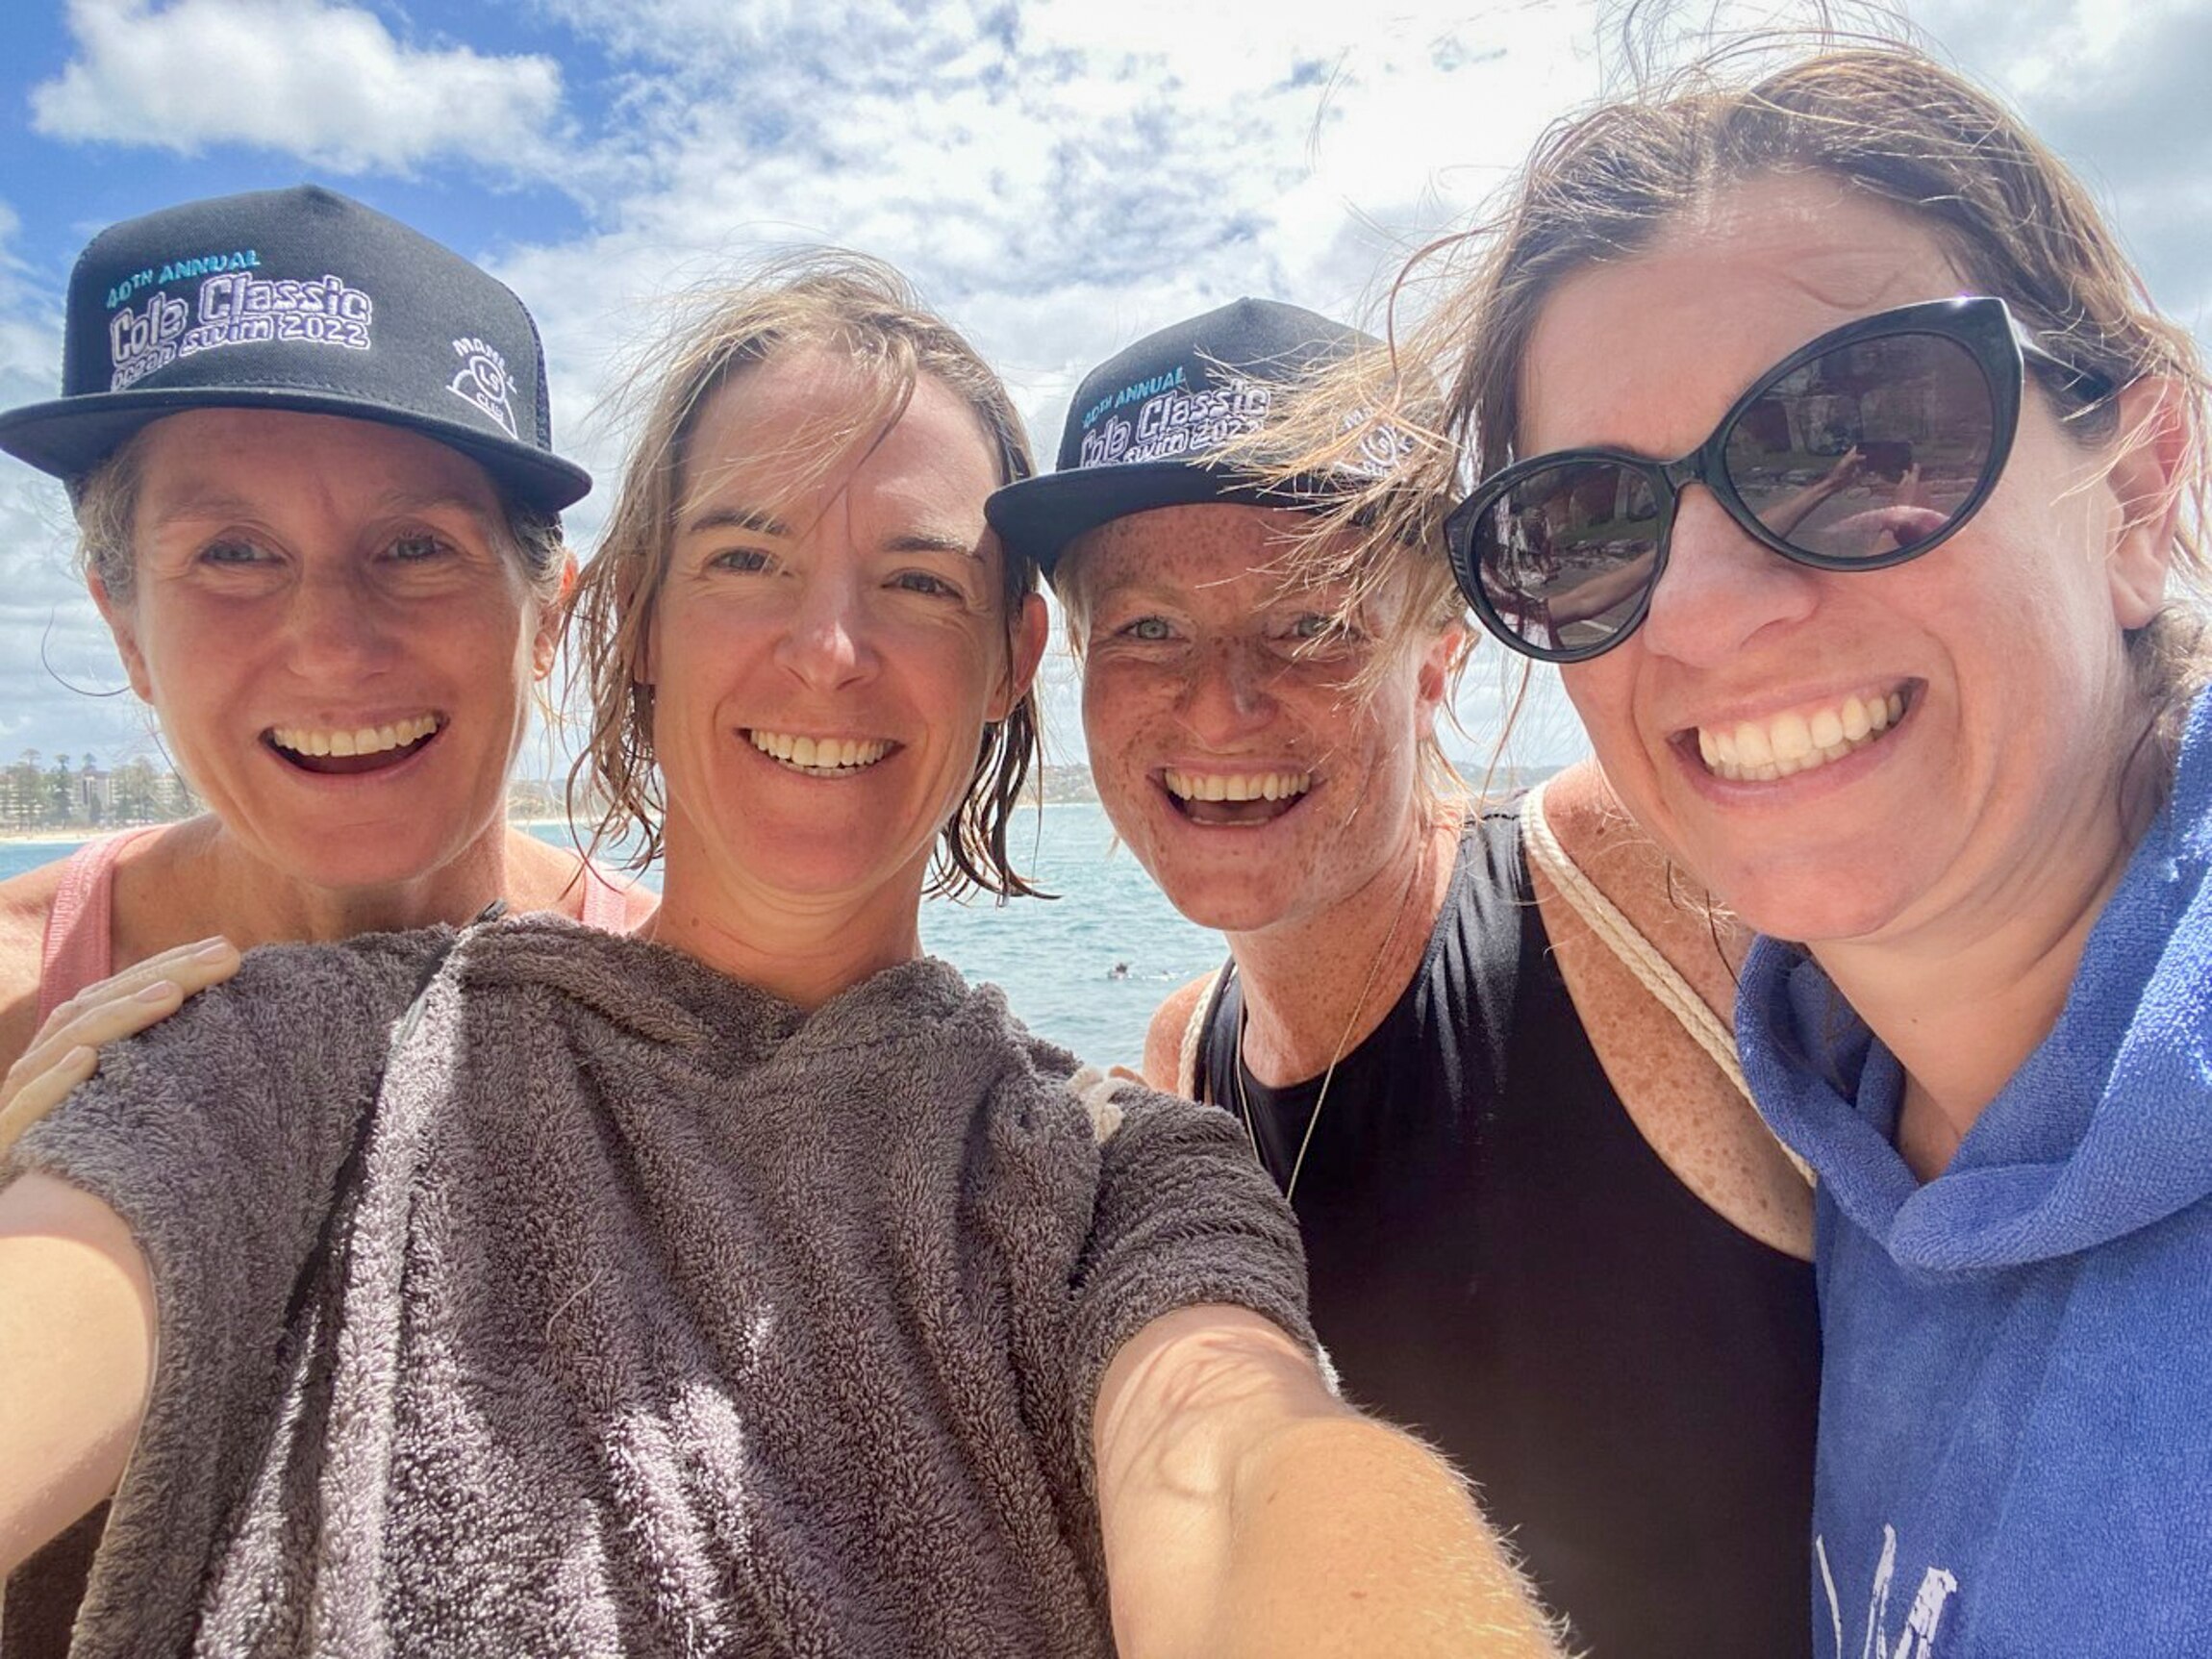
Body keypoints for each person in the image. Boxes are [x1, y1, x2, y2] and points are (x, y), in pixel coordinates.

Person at [0, 255, 1565, 1656]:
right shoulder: (290, 1054)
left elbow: (1229, 1461)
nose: (831, 650)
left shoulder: (1119, 1175)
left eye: (915, 580)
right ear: (631, 620)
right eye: (745, 559)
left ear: (1012, 656)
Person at [1307, 42, 2211, 1656]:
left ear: (2140, 489)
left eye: (1866, 441)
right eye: (1581, 523)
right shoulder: (1859, 1102)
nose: (1708, 614)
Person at [986, 296, 1822, 1656]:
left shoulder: (1629, 888)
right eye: (1146, 629)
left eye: (1312, 618)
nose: (1220, 701)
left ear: (1438, 654)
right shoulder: (1183, 1059)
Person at [0, 183, 652, 1649]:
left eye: (414, 545)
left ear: (548, 615)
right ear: (125, 628)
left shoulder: (672, 994)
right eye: (232, 554)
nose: (331, 640)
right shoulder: (22, 988)